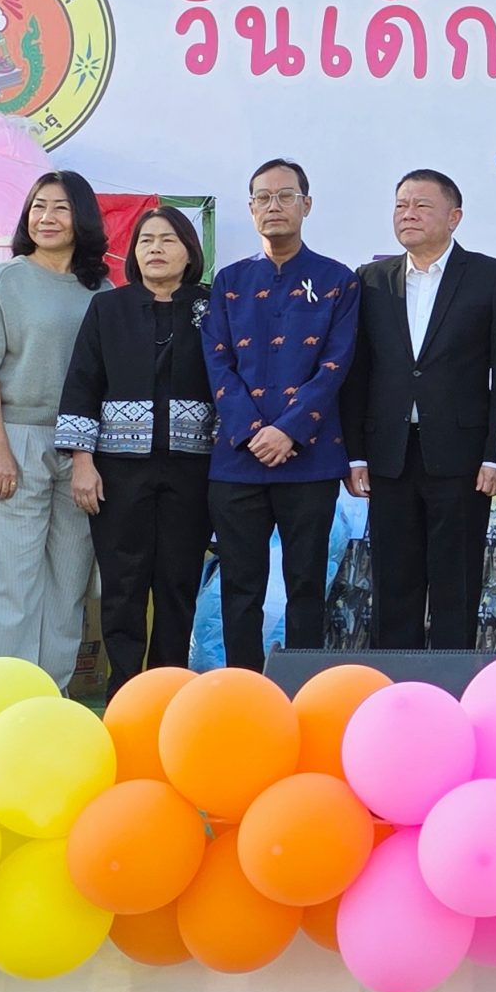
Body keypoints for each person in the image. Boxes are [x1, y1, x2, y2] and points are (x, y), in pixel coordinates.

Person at [345, 170, 496, 651]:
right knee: (392, 583)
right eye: (401, 205)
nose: (409, 214)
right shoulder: (371, 280)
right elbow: (359, 373)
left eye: (422, 205)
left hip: (462, 456)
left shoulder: (490, 277)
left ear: (454, 216)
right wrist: (356, 454)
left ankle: (451, 683)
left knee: (455, 583)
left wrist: (493, 454)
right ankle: (397, 685)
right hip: (390, 454)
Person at [0, 170, 111, 684]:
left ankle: (48, 699)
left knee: (67, 582)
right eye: (38, 206)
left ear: (82, 217)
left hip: (82, 449)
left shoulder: (102, 290)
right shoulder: (4, 279)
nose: (47, 217)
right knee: (4, 583)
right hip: (13, 436)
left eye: (61, 207)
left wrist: (88, 455)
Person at [204, 158, 359, 672]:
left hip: (309, 459)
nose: (274, 206)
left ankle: (303, 687)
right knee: (239, 586)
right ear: (251, 209)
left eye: (285, 196)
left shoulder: (337, 281)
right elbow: (218, 362)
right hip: (238, 459)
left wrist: (287, 431)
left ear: (306, 205)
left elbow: (336, 363)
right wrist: (255, 432)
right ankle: (243, 689)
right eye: (263, 197)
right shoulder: (229, 281)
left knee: (306, 584)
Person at [58, 207, 215, 698]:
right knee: (122, 585)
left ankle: (170, 692)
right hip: (118, 471)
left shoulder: (213, 308)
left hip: (193, 470)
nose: (155, 249)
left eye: (168, 239)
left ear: (189, 251)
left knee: (177, 582)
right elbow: (82, 383)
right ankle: (125, 693)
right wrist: (82, 463)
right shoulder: (109, 308)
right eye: (146, 240)